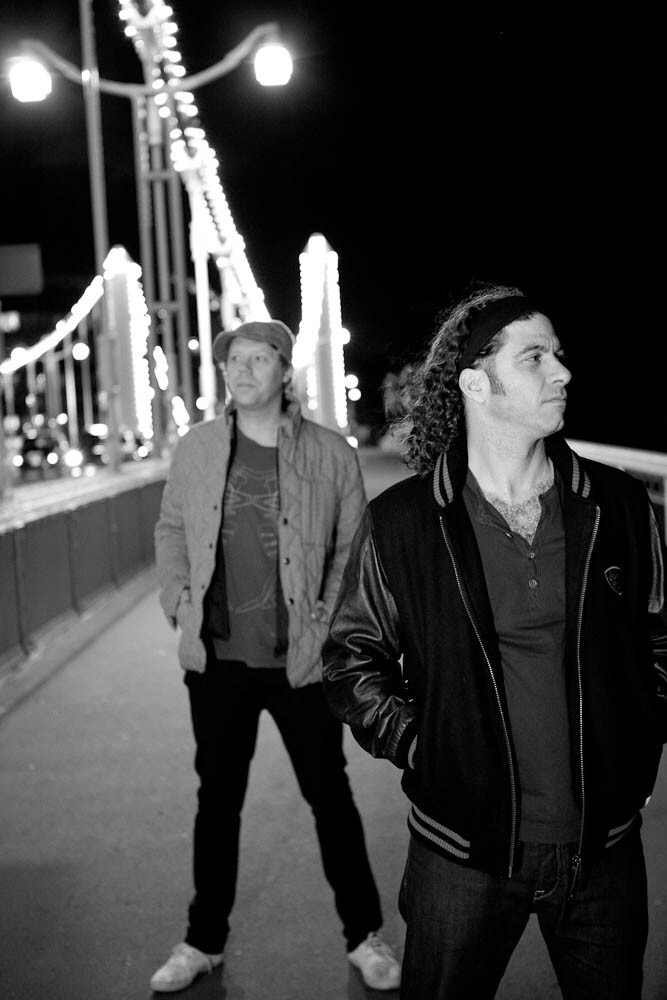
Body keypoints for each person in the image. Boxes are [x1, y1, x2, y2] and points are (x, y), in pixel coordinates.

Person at [322, 285, 667, 999]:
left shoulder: (619, 504)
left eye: (558, 354)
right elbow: (352, 660)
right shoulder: (404, 521)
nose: (561, 371)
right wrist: (426, 747)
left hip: (603, 847)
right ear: (475, 383)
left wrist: (639, 729)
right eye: (534, 357)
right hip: (461, 851)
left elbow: (660, 637)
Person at [151, 319, 400, 993]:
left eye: (257, 360)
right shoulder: (198, 448)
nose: (241, 370)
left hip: (301, 662)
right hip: (217, 660)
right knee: (217, 802)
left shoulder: (330, 453)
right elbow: (171, 528)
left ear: (284, 370)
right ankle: (202, 941)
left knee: (330, 798)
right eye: (233, 360)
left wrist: (326, 620)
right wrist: (179, 599)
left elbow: (353, 548)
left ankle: (364, 935)